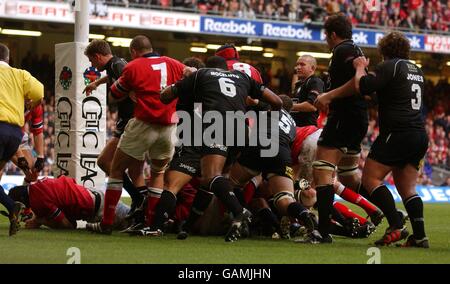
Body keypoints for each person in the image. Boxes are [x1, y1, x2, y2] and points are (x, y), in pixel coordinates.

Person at [316, 31, 429, 247]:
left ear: (385, 49)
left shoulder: (391, 65)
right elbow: (386, 95)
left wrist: (360, 68)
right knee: (408, 189)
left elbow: (364, 86)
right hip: (419, 135)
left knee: (370, 179)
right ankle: (420, 236)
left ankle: (395, 223)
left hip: (397, 133)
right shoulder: (417, 70)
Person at [161, 56, 283, 242]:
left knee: (211, 175)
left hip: (217, 126)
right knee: (211, 181)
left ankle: (239, 211)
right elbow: (277, 102)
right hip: (242, 130)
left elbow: (166, 96)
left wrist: (176, 85)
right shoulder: (242, 77)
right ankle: (188, 225)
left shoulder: (201, 74)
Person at [86, 35, 185, 234]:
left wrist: (129, 91)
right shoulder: (173, 63)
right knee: (155, 173)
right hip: (168, 127)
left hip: (142, 124)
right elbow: (191, 73)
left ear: (133, 51)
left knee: (114, 168)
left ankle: (107, 222)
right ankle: (149, 222)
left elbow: (115, 94)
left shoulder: (130, 66)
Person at [228, 95, 319, 241]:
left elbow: (250, 100)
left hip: (260, 144)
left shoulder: (269, 106)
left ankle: (241, 216)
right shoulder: (292, 123)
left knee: (231, 183)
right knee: (284, 199)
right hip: (281, 153)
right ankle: (306, 216)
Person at [311, 14, 368, 243]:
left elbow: (356, 84)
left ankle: (322, 232)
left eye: (326, 36)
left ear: (332, 34)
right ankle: (390, 214)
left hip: (345, 116)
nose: (326, 40)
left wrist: (329, 95)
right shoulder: (352, 50)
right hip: (355, 118)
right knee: (350, 175)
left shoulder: (344, 50)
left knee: (321, 169)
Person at [83, 39, 145, 215]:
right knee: (134, 170)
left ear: (97, 56)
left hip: (129, 122)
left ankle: (139, 200)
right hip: (129, 121)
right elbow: (118, 77)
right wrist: (97, 83)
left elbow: (131, 83)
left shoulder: (116, 65)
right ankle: (141, 203)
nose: (92, 65)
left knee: (105, 161)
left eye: (91, 61)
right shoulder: (116, 64)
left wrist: (135, 99)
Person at [0, 43, 44, 236]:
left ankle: (12, 206)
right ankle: (14, 210)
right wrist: (27, 103)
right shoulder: (20, 74)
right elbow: (40, 92)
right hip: (14, 134)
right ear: (9, 59)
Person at [7, 176, 129, 230]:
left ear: (22, 200)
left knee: (137, 221)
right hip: (94, 195)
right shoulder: (39, 185)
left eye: (19, 207)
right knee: (131, 223)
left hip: (99, 210)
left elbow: (68, 226)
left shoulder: (37, 201)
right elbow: (69, 181)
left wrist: (40, 221)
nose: (22, 211)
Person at [291, 55, 324, 127]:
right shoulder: (300, 83)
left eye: (302, 64)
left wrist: (289, 106)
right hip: (296, 127)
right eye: (297, 65)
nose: (298, 67)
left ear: (312, 68)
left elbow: (312, 106)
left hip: (307, 129)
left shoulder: (315, 81)